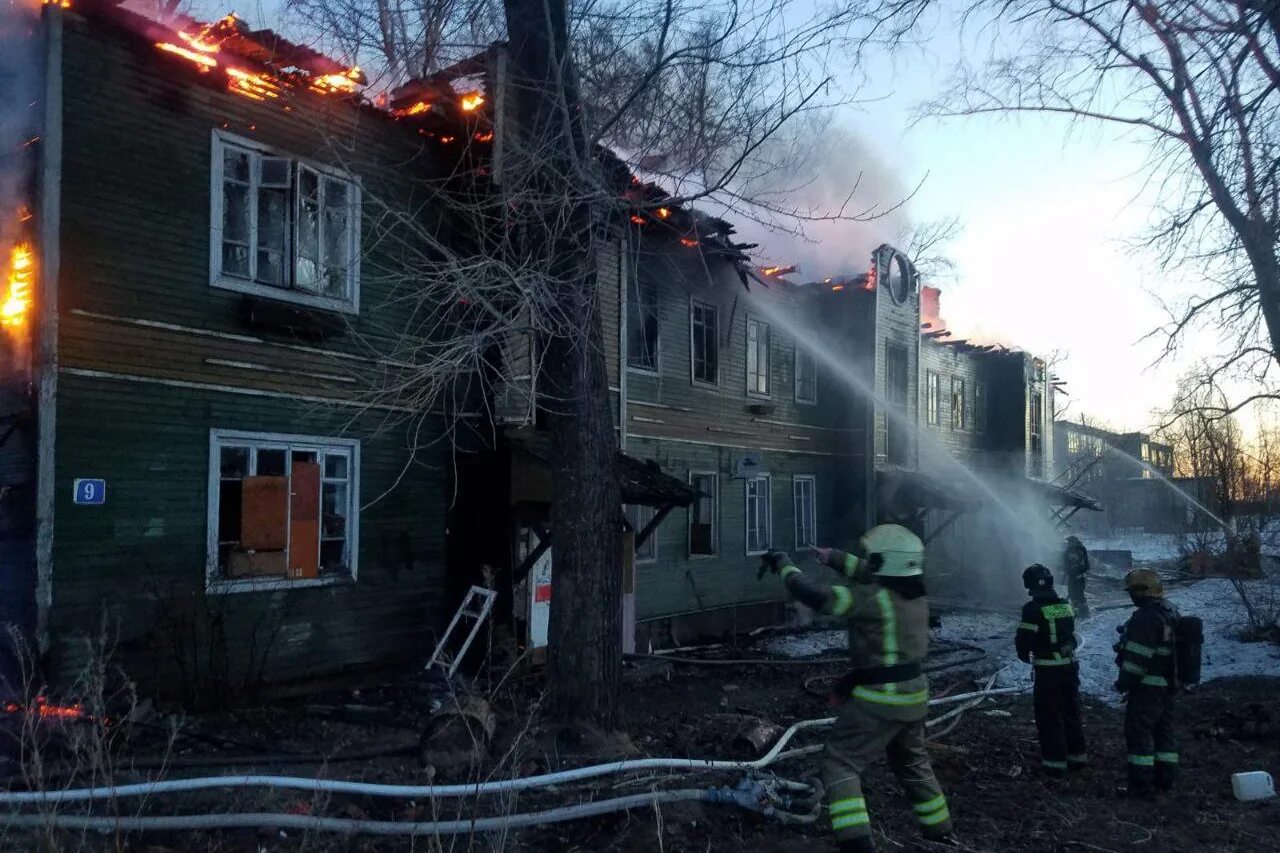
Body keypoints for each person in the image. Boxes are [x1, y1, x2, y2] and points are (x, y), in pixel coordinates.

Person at [761, 524, 952, 853]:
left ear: (882, 564)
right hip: (914, 694)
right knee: (911, 762)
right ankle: (940, 830)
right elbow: (870, 571)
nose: (868, 564)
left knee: (839, 763)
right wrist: (833, 557)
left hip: (881, 699)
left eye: (872, 559)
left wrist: (783, 564)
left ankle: (856, 843)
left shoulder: (874, 600)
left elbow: (815, 595)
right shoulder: (914, 593)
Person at [1016, 564, 1088, 775]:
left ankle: (1054, 764)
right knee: (1071, 712)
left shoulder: (1032, 609)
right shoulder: (1065, 605)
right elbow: (1070, 635)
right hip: (1070, 668)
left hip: (1048, 672)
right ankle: (1078, 757)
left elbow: (1024, 640)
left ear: (1029, 584)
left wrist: (1023, 654)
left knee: (1049, 716)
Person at [1114, 568, 1180, 795]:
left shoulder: (1146, 617)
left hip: (1147, 686)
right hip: (1168, 685)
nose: (1131, 596)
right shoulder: (1170, 611)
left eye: (1133, 591)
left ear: (1144, 591)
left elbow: (1137, 658)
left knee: (1139, 734)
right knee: (1164, 733)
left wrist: (1124, 682)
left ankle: (1141, 785)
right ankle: (1166, 779)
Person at [1062, 536, 1091, 618]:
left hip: (1079, 576)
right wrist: (1066, 569)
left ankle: (1084, 613)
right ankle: (1076, 612)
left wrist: (1077, 570)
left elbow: (1086, 565)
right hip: (1071, 576)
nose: (1068, 543)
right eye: (1068, 542)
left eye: (1070, 542)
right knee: (1071, 594)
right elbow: (1065, 563)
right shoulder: (1067, 551)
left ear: (1074, 542)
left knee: (1080, 595)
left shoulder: (1081, 550)